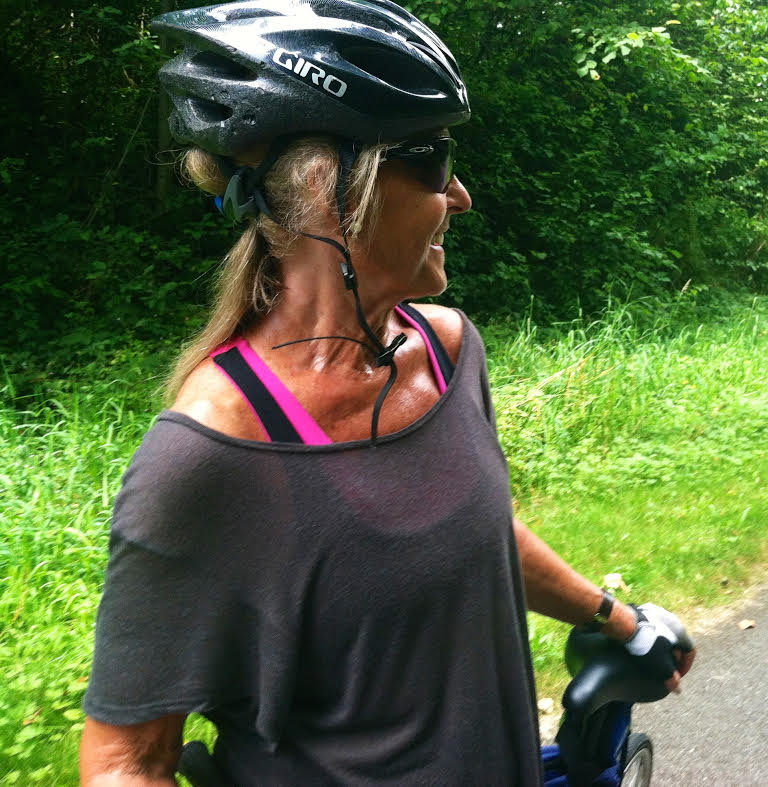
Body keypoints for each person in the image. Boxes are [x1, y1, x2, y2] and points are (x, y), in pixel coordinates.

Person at [79, 1, 695, 784]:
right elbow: (125, 760)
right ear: (327, 189)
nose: (460, 195)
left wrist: (616, 619)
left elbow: (474, 532)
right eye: (434, 160)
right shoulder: (209, 451)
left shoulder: (448, 351)